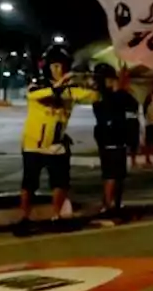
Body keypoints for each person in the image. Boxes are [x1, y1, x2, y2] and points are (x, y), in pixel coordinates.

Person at [19, 46, 98, 228]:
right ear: (47, 67)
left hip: (57, 144)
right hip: (33, 144)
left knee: (61, 182)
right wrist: (62, 83)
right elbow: (38, 95)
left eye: (62, 66)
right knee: (29, 184)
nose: (59, 70)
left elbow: (92, 96)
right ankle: (24, 218)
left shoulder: (68, 90)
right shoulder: (38, 84)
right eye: (55, 66)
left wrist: (96, 84)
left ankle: (57, 216)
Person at [92, 64, 136, 216]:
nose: (113, 82)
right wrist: (122, 88)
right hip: (111, 139)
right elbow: (128, 103)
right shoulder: (104, 97)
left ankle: (114, 203)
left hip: (115, 138)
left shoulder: (108, 95)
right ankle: (109, 204)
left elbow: (132, 105)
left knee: (117, 175)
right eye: (110, 79)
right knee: (111, 175)